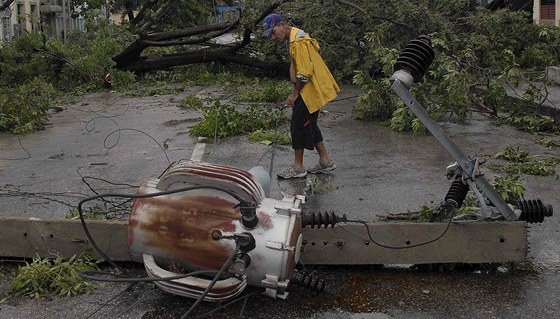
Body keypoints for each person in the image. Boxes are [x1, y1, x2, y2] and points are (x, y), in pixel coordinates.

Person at [262, 13, 340, 179]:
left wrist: (294, 94)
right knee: (310, 125)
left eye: (273, 32)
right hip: (311, 90)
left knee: (297, 126)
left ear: (282, 24)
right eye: (269, 35)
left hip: (308, 91)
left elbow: (305, 73)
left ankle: (298, 167)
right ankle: (325, 162)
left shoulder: (297, 41)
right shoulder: (295, 36)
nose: (272, 37)